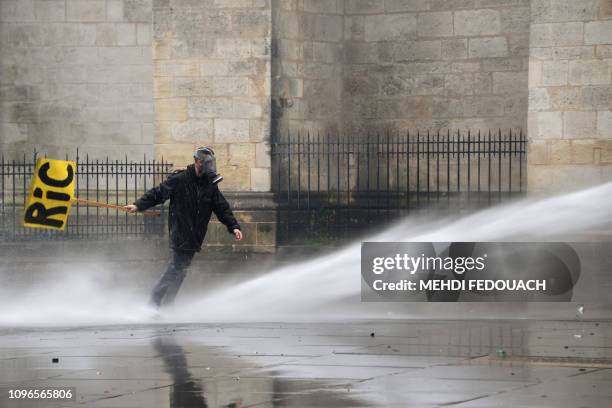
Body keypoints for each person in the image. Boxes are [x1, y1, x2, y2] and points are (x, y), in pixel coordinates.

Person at [124, 147, 243, 309]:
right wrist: (138, 205)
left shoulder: (210, 184)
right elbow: (158, 193)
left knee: (182, 269)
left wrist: (233, 226)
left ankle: (168, 302)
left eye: (211, 163)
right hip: (180, 230)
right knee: (177, 267)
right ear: (197, 161)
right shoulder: (180, 179)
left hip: (196, 235)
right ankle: (155, 300)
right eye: (206, 163)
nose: (209, 166)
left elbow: (221, 207)